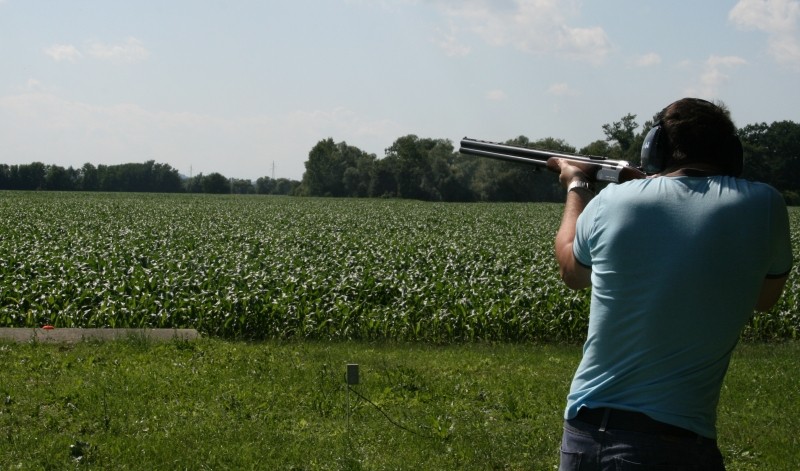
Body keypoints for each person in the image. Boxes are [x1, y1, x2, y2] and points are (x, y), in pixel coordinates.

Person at [549, 97, 793, 470]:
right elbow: (765, 297)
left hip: (586, 433)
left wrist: (577, 184)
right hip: (676, 441)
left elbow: (572, 271)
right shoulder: (764, 205)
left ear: (655, 147)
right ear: (732, 152)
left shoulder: (613, 200)